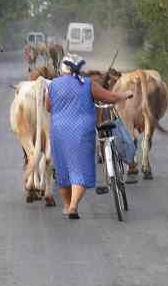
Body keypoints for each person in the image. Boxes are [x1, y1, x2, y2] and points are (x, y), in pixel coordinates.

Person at [46, 54, 132, 219]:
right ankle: (73, 205)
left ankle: (66, 204)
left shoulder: (53, 85)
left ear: (62, 69)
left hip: (59, 131)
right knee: (81, 169)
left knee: (63, 169)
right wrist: (125, 94)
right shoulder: (87, 84)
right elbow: (111, 98)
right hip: (81, 131)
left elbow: (48, 107)